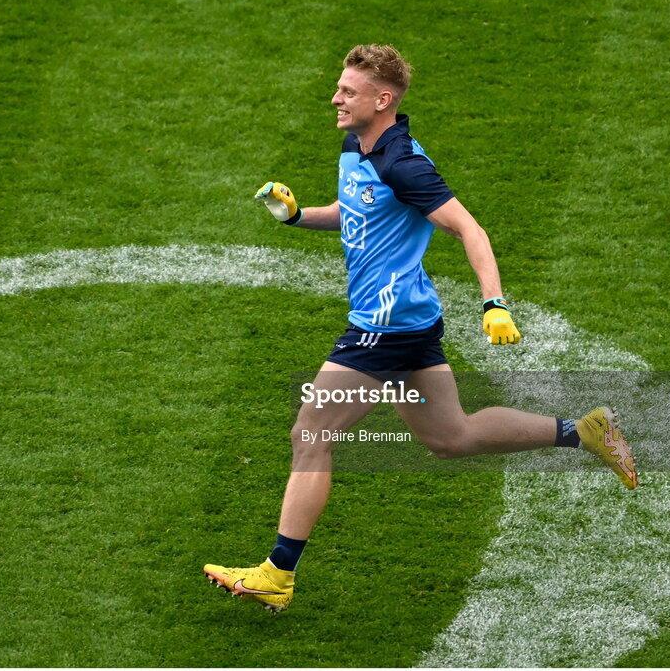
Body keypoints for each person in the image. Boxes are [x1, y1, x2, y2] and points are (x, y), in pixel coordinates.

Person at [203, 44, 637, 613]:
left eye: (348, 92)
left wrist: (494, 304)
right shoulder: (356, 145)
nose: (335, 97)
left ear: (382, 100)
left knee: (310, 432)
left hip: (382, 326)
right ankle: (582, 431)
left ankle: (277, 575)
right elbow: (353, 210)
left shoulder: (403, 163)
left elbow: (469, 229)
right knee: (450, 437)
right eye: (339, 87)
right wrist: (298, 215)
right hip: (410, 319)